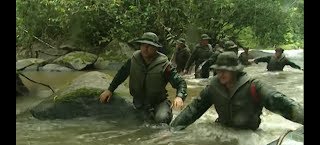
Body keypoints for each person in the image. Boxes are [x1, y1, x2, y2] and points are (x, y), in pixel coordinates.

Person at [170, 51, 304, 131]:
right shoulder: (213, 87)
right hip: (223, 131)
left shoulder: (254, 86)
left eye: (225, 70)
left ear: (235, 70)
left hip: (249, 135)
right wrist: (172, 130)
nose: (221, 74)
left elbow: (281, 102)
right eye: (218, 70)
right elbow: (194, 109)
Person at [99, 32, 188, 125]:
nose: (145, 49)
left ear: (156, 48)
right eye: (143, 45)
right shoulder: (133, 60)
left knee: (162, 120)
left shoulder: (164, 65)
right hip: (139, 103)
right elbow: (121, 75)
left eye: (149, 46)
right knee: (132, 123)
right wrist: (110, 90)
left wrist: (179, 97)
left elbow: (180, 82)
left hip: (159, 102)